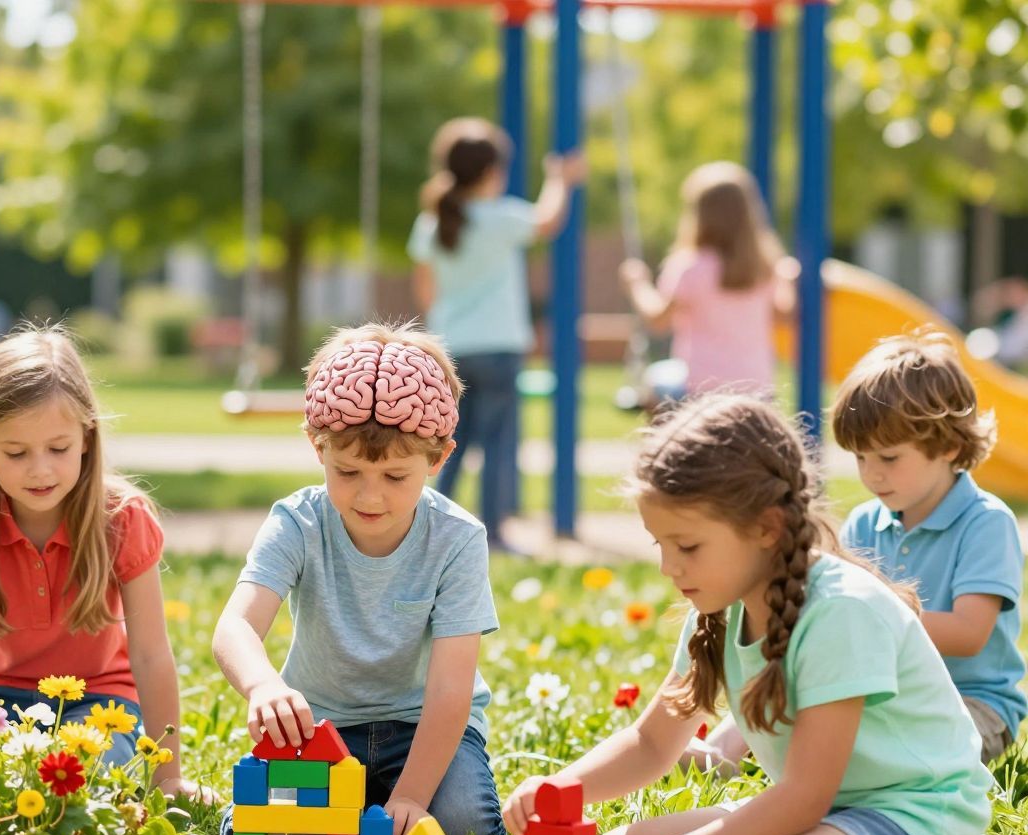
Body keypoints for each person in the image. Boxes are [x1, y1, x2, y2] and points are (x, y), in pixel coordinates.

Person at [504, 393, 1023, 835]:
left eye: (687, 546)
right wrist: (557, 790)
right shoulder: (719, 604)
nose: (667, 567)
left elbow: (804, 796)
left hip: (912, 819)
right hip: (824, 814)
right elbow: (654, 742)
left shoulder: (839, 611)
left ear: (767, 528)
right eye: (660, 544)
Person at [0, 329, 201, 800]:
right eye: (16, 453)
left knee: (81, 777)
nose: (40, 470)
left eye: (58, 449)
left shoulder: (122, 518)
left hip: (97, 704)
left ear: (87, 437)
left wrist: (169, 779)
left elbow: (150, 656)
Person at [213, 324, 503, 835]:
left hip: (423, 727)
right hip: (322, 729)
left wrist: (414, 795)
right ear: (316, 447)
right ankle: (349, 812)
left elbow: (449, 691)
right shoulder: (297, 523)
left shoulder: (458, 539)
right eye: (347, 472)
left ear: (438, 459)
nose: (370, 497)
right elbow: (235, 626)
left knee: (464, 827)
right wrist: (262, 686)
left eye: (395, 477)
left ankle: (380, 805)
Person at [691, 332, 1025, 772]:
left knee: (871, 755)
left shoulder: (985, 521)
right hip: (883, 691)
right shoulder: (867, 521)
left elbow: (968, 633)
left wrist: (874, 617)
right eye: (861, 458)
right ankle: (722, 752)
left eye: (888, 458)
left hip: (970, 707)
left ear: (949, 446)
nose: (872, 475)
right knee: (800, 682)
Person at [408, 116, 586, 547]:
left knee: (450, 440)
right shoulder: (500, 218)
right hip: (501, 345)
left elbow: (425, 290)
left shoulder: (433, 223)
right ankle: (493, 532)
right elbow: (548, 221)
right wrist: (560, 179)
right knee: (498, 443)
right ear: (492, 173)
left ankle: (427, 524)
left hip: (451, 347)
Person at [620, 162, 796, 406]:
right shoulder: (764, 266)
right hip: (756, 386)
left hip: (701, 387)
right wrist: (787, 279)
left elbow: (658, 320)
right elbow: (785, 314)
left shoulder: (690, 266)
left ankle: (665, 443)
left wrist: (637, 284)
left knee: (655, 383)